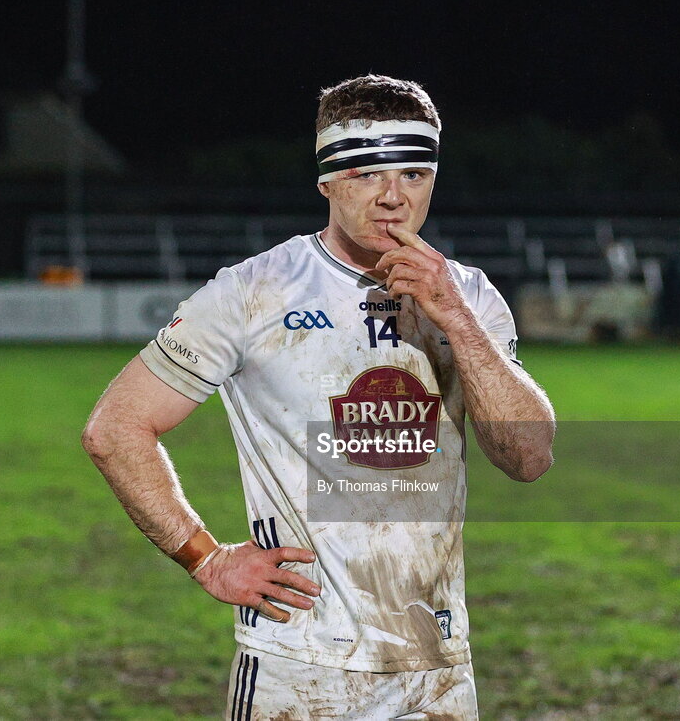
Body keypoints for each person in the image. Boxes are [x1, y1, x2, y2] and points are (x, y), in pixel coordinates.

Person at [82, 74, 556, 719]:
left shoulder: (468, 296)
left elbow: (527, 458)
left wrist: (456, 319)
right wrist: (207, 559)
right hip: (299, 668)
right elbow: (116, 428)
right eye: (366, 174)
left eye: (414, 174)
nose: (393, 197)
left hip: (438, 667)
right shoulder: (254, 293)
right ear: (327, 182)